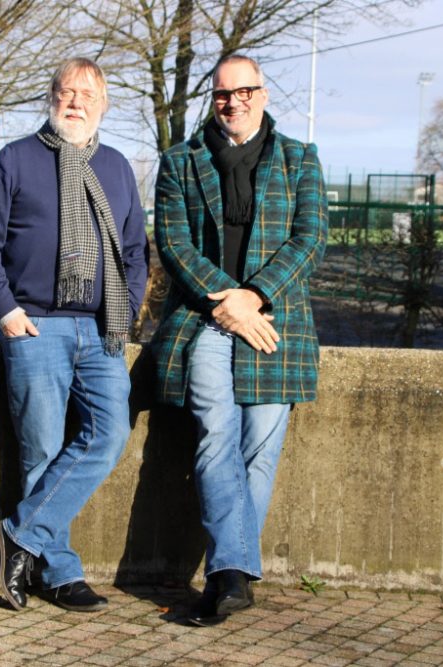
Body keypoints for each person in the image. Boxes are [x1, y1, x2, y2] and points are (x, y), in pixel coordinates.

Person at [0, 57, 149, 612]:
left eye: (88, 94)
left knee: (110, 433)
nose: (76, 102)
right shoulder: (16, 159)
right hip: (35, 324)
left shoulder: (116, 167)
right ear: (51, 98)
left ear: (104, 105)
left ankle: (16, 535)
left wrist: (128, 307)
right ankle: (60, 575)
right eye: (66, 92)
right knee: (41, 450)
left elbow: (137, 249)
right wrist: (6, 309)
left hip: (101, 330)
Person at [150, 54, 327, 626]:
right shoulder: (180, 161)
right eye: (224, 93)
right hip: (204, 319)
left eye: (244, 91)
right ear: (214, 98)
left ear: (263, 93)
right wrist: (227, 302)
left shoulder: (301, 159)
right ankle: (231, 576)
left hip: (276, 324)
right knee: (215, 437)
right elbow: (174, 244)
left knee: (260, 449)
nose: (234, 102)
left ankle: (228, 575)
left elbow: (310, 240)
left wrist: (254, 298)